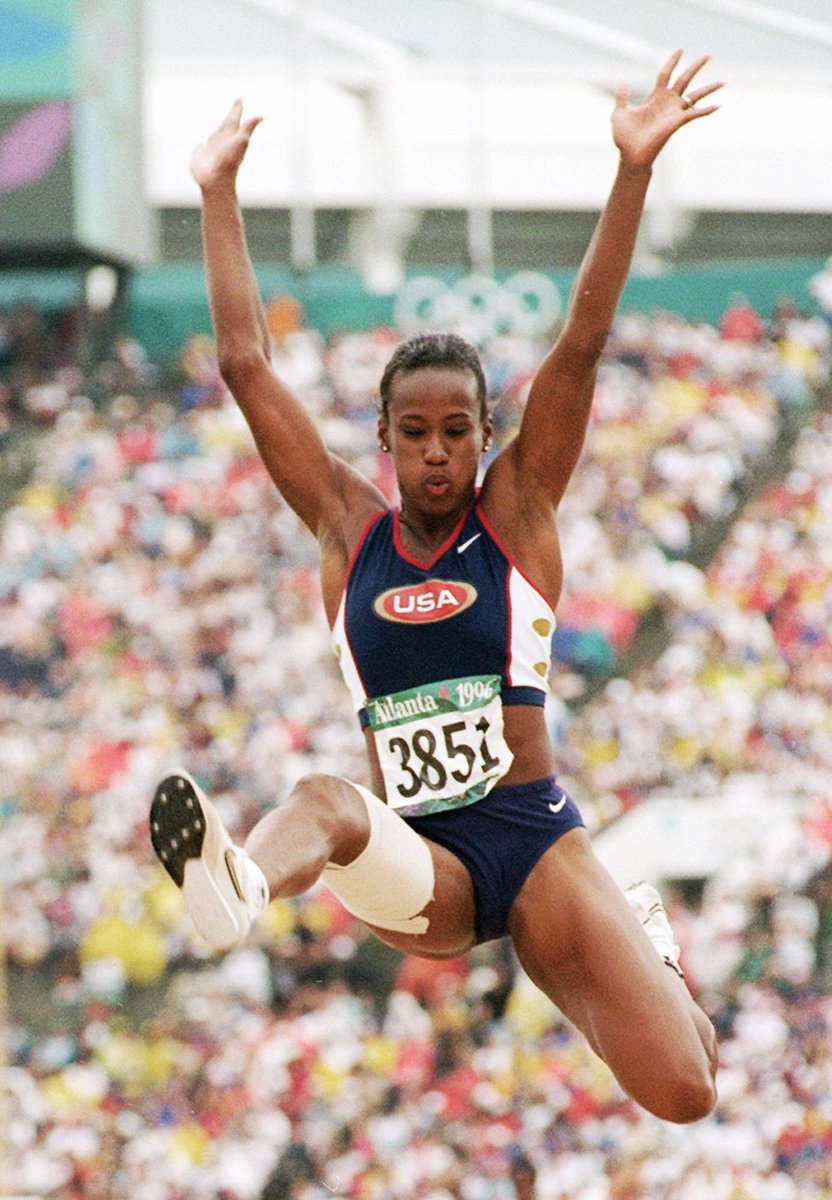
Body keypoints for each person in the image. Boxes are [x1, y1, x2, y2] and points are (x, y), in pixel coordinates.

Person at [150, 50, 722, 1124]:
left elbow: (583, 344)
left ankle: (645, 941)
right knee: (324, 800)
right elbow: (246, 366)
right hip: (424, 860)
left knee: (684, 1088)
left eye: (456, 433)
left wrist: (633, 170)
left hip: (529, 832)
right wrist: (217, 194)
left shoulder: (516, 516)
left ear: (483, 436)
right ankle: (237, 886)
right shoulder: (343, 529)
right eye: (412, 435)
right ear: (384, 438)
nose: (434, 457)